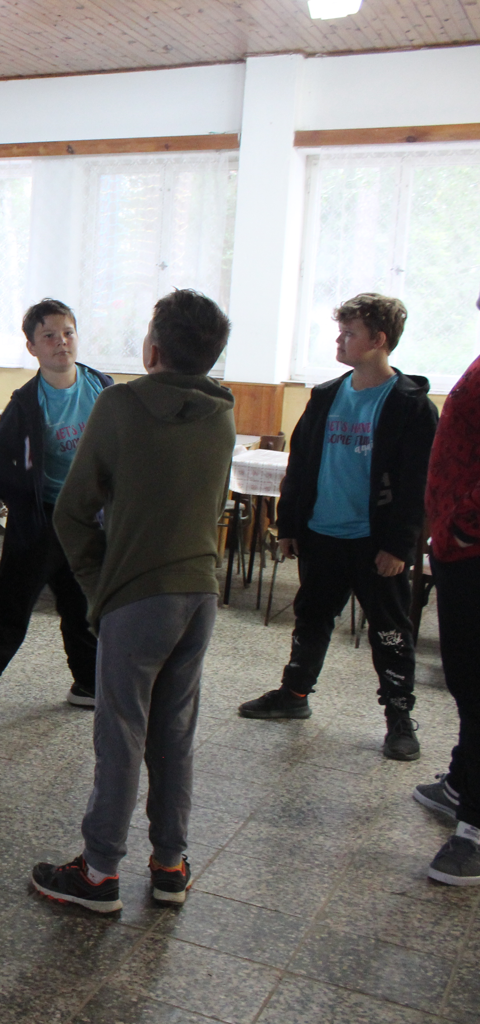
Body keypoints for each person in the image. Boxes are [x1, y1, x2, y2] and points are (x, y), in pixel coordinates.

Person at [32, 289, 235, 913]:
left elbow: (73, 509)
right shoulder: (222, 412)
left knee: (120, 734)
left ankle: (98, 874)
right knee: (175, 732)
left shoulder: (120, 404)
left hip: (137, 596)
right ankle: (170, 864)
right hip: (199, 593)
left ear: (152, 349)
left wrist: (100, 587)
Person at [238, 293, 439, 761]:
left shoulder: (410, 406)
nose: (339, 340)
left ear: (379, 340)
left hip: (376, 543)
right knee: (311, 617)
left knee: (389, 632)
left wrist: (400, 546)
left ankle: (399, 717)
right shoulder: (327, 395)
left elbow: (418, 484)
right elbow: (301, 464)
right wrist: (289, 524)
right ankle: (294, 695)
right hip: (322, 534)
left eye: (349, 333)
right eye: (340, 331)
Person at [0, 299, 109, 746]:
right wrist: (27, 505)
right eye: (49, 336)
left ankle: (89, 683)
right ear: (32, 347)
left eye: (68, 333)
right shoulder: (26, 402)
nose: (61, 342)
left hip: (88, 522)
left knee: (83, 608)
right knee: (10, 610)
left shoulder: (102, 388)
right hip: (41, 524)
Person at [415, 288, 480, 885]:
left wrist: (460, 525)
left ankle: (474, 831)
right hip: (460, 550)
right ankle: (462, 782)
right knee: (464, 676)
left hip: (472, 548)